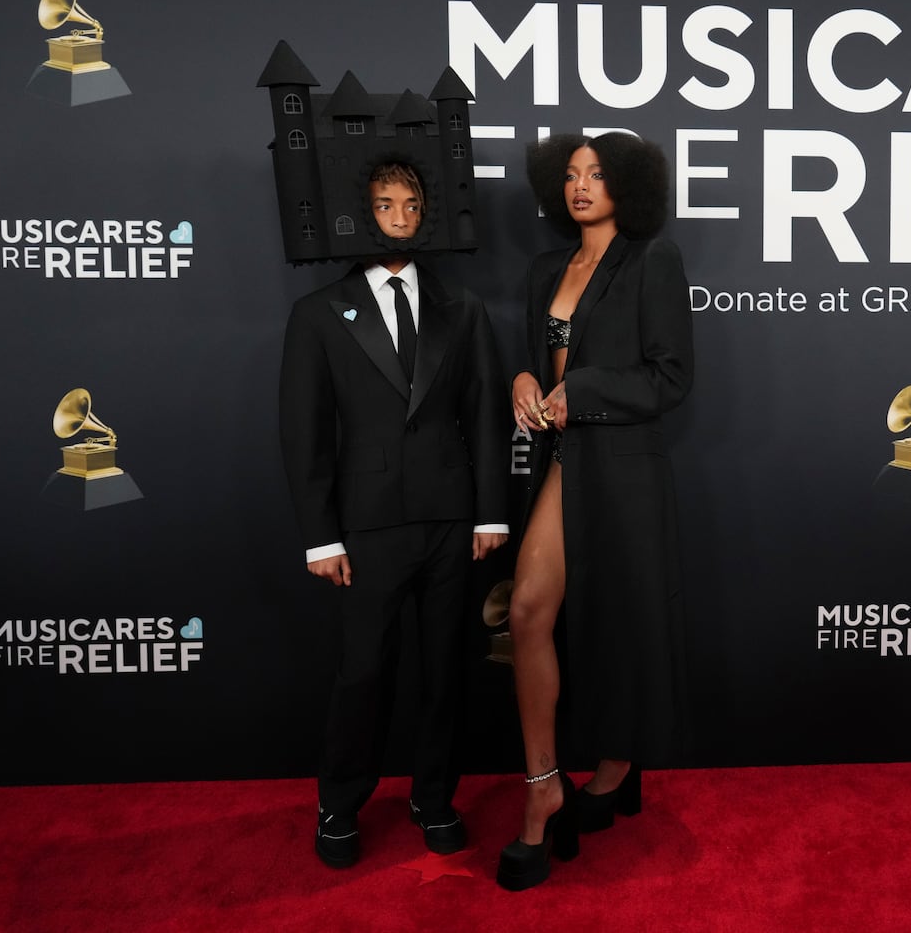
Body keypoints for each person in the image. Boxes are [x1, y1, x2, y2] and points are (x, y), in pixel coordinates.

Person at [278, 161, 510, 868]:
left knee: (445, 671)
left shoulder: (462, 309)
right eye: (385, 202)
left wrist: (490, 515)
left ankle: (434, 798)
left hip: (451, 523)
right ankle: (340, 803)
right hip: (366, 525)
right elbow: (305, 431)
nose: (401, 215)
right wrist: (321, 535)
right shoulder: (319, 312)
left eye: (412, 203)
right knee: (363, 673)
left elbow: (489, 416)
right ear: (363, 212)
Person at [496, 133, 694, 891]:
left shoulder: (653, 259)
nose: (581, 186)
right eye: (572, 174)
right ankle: (543, 783)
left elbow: (671, 376)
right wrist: (522, 375)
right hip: (559, 461)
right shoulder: (547, 268)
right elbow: (536, 355)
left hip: (623, 467)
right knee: (528, 613)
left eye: (598, 174)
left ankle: (616, 764)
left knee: (621, 619)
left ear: (628, 186)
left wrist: (587, 392)